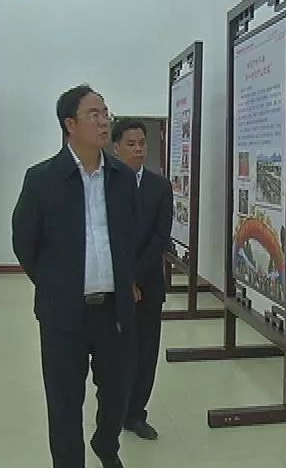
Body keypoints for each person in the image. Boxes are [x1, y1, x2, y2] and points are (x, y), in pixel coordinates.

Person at [12, 86, 139, 468]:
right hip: (63, 312)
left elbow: (130, 236)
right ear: (70, 124)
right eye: (93, 114)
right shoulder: (42, 179)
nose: (104, 121)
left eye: (105, 113)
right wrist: (55, 284)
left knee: (117, 393)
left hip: (113, 310)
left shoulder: (121, 177)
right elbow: (24, 243)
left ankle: (105, 444)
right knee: (65, 401)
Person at [112, 119, 173, 441]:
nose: (138, 149)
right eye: (131, 144)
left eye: (142, 144)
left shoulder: (159, 187)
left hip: (148, 284)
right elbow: (106, 238)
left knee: (146, 352)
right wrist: (124, 280)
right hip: (112, 284)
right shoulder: (104, 184)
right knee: (116, 353)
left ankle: (136, 414)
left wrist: (136, 277)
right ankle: (114, 411)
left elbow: (160, 237)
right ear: (116, 147)